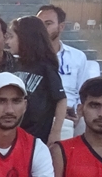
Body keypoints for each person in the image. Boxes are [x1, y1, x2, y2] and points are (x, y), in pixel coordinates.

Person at [7, 16, 66, 145]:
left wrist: (56, 132)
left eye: (11, 37)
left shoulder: (45, 67)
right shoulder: (13, 65)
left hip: (37, 137)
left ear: (25, 38)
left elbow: (61, 99)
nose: (8, 42)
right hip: (14, 135)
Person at [36, 5, 89, 117]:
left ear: (61, 27)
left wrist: (76, 114)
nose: (42, 29)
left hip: (70, 114)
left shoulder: (77, 57)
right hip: (39, 114)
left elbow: (85, 93)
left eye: (48, 23)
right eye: (39, 24)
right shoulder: (28, 56)